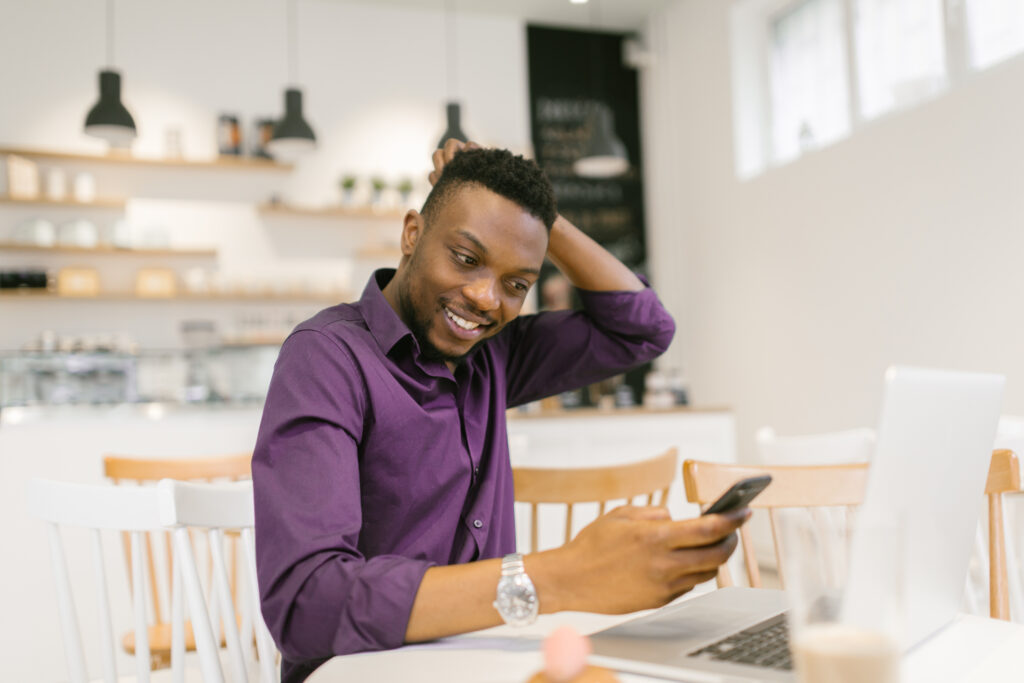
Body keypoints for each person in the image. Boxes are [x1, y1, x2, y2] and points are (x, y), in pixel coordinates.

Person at [252, 140, 749, 682]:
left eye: (517, 284)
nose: (488, 298)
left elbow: (644, 330)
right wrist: (558, 577)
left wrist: (539, 218)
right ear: (412, 234)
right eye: (466, 259)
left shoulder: (492, 353)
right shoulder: (327, 357)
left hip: (482, 661)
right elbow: (305, 606)